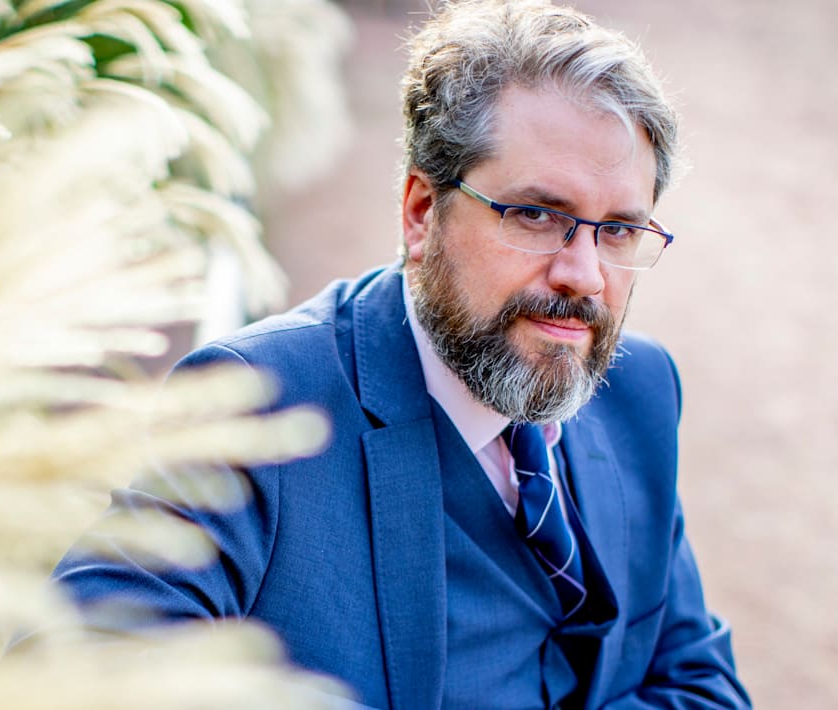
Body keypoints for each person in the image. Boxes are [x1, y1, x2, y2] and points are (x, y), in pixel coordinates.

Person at [53, 1, 750, 707]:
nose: (585, 275)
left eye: (620, 230)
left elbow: (703, 685)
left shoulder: (639, 391)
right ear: (422, 211)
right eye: (537, 215)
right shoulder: (257, 403)